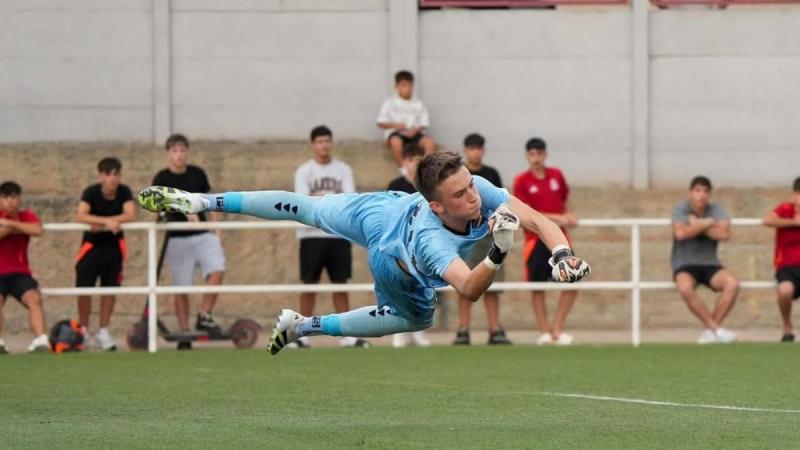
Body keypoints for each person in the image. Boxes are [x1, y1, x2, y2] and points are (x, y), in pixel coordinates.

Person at [137, 152, 591, 355]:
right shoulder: (433, 241)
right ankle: (304, 325)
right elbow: (469, 289)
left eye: (471, 186)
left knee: (307, 208)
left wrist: (562, 255)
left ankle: (202, 202)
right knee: (416, 318)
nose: (473, 197)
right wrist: (498, 252)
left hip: (382, 210)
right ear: (436, 205)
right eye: (460, 194)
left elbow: (540, 221)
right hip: (396, 258)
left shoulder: (480, 190)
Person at [293, 126, 369, 349]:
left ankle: (347, 334)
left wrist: (321, 200)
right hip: (311, 235)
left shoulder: (343, 169)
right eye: (320, 141)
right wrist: (330, 202)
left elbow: (348, 201)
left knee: (340, 284)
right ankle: (301, 333)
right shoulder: (304, 171)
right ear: (313, 144)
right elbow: (303, 202)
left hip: (338, 234)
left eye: (327, 141)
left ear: (331, 143)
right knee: (309, 284)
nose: (324, 145)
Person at [152, 134, 226, 350]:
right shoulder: (162, 178)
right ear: (168, 154)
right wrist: (183, 208)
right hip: (177, 237)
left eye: (182, 150)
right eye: (175, 151)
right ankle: (185, 332)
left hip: (202, 233)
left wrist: (217, 228)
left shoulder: (197, 174)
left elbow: (211, 201)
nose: (179, 155)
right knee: (181, 286)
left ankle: (205, 315)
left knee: (217, 269)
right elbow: (156, 204)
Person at [512, 138, 578, 345]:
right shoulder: (521, 181)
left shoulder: (557, 175)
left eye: (539, 153)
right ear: (527, 156)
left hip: (560, 239)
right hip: (535, 239)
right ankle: (544, 332)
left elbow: (565, 199)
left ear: (545, 155)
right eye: (532, 154)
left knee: (572, 282)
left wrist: (569, 216)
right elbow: (525, 212)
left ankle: (556, 328)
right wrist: (558, 218)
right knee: (537, 286)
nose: (536, 158)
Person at [453, 133, 511, 345]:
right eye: (471, 148)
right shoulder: (458, 175)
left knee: (492, 285)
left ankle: (495, 328)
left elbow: (500, 204)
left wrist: (492, 225)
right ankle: (463, 329)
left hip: (489, 237)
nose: (475, 152)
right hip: (466, 238)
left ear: (483, 150)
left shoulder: (491, 174)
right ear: (465, 150)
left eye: (478, 148)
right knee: (464, 283)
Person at [74, 157, 136, 351]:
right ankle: (84, 331)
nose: (112, 178)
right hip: (91, 247)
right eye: (108, 174)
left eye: (116, 174)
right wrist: (106, 222)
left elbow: (130, 214)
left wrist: (104, 221)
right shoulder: (91, 192)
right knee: (84, 289)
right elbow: (81, 215)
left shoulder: (124, 191)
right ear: (101, 176)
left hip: (114, 248)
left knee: (110, 289)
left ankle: (103, 331)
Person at [671, 176, 739, 344]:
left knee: (732, 284)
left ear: (709, 194)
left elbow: (724, 234)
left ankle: (710, 332)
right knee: (685, 287)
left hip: (710, 264)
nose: (701, 195)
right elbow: (680, 234)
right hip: (684, 264)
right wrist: (706, 224)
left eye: (705, 191)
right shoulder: (680, 209)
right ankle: (716, 330)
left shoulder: (716, 210)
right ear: (690, 193)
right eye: (697, 190)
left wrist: (697, 224)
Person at [386, 142, 431, 348]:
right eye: (411, 160)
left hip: (421, 244)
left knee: (422, 286)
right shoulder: (395, 184)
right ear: (404, 161)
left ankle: (419, 330)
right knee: (398, 286)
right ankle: (399, 331)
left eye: (418, 160)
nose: (414, 164)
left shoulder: (429, 186)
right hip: (399, 243)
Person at [0, 181, 49, 353]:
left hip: (20, 272)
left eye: (14, 197)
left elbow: (37, 230)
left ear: (20, 199)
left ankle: (40, 340)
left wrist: (11, 224)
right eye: (6, 197)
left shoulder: (26, 215)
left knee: (34, 299)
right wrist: (13, 228)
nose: (10, 201)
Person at [762, 176, 800, 342]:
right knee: (785, 291)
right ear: (795, 195)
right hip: (787, 266)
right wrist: (794, 222)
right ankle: (787, 325)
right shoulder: (785, 209)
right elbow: (767, 220)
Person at [377, 70, 436, 169]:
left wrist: (415, 130)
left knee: (429, 142)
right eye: (404, 85)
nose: (408, 88)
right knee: (396, 142)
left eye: (410, 85)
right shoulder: (389, 103)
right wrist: (397, 126)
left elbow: (424, 123)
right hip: (396, 133)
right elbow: (380, 123)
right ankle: (403, 169)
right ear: (397, 87)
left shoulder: (418, 103)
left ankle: (426, 169)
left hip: (414, 133)